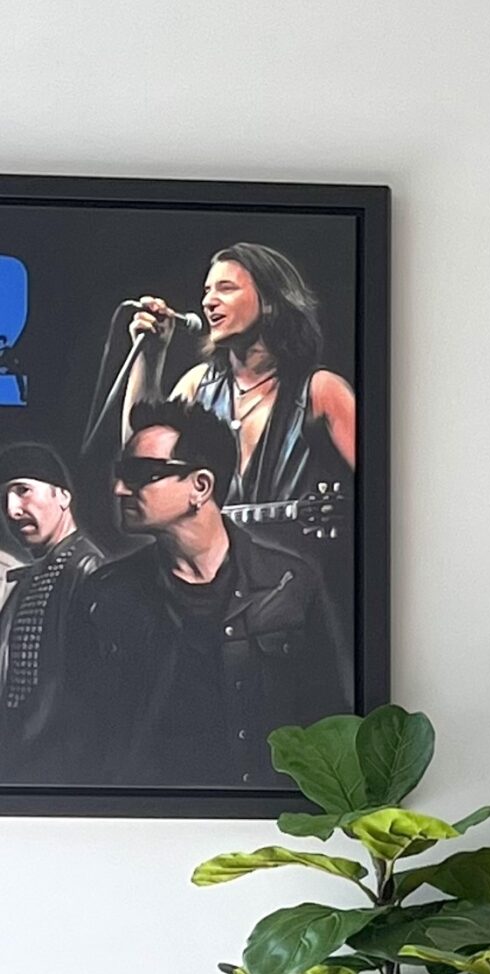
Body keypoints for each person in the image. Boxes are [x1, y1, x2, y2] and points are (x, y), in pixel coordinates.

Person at [62, 399, 350, 789]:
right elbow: (81, 734)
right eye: (120, 473)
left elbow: (328, 721)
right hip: (147, 813)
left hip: (265, 815)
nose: (119, 488)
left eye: (140, 473)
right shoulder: (105, 595)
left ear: (200, 486)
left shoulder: (290, 582)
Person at [125, 242, 356, 564]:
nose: (208, 301)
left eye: (226, 288)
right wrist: (150, 357)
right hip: (214, 577)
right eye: (207, 291)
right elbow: (139, 456)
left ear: (271, 301)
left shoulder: (321, 390)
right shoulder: (198, 384)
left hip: (296, 577)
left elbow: (384, 488)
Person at [0, 439, 105, 776]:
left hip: (63, 766)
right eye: (4, 499)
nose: (12, 510)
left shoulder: (89, 573)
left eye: (23, 491)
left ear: (62, 496)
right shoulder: (29, 577)